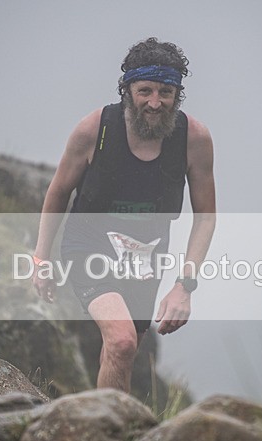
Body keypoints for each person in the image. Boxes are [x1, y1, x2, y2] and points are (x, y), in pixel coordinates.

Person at [32, 37, 216, 393]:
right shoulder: (94, 130)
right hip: (88, 247)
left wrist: (185, 285)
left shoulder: (194, 139)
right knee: (122, 341)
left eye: (166, 91)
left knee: (121, 352)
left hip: (146, 258)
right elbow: (57, 192)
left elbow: (206, 217)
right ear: (127, 89)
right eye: (145, 90)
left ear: (178, 94)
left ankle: (111, 435)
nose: (155, 102)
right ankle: (107, 433)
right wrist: (41, 257)